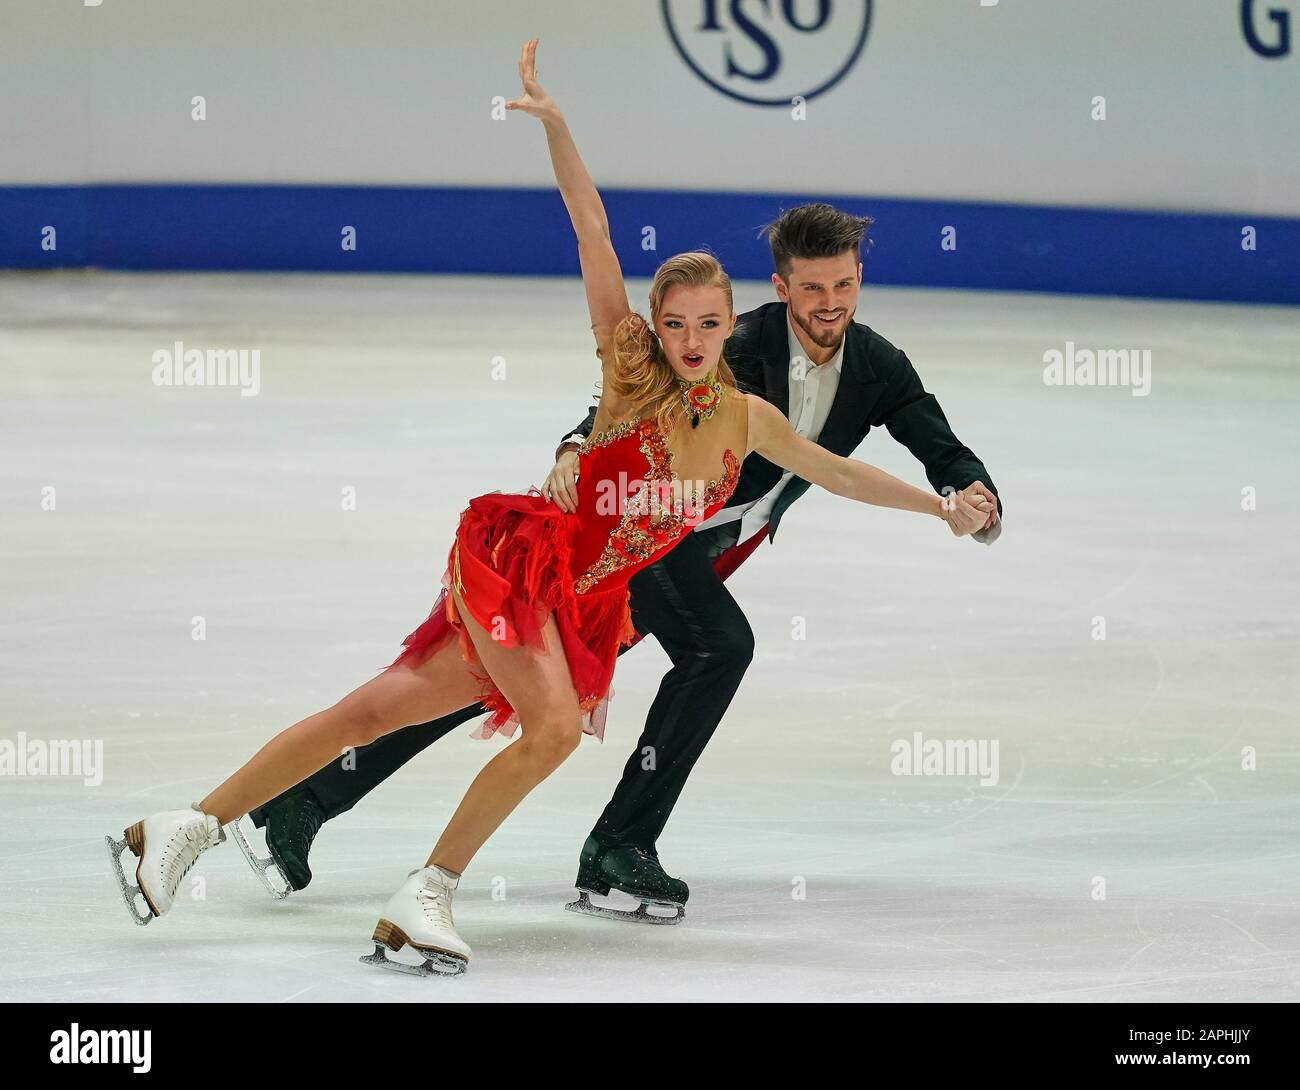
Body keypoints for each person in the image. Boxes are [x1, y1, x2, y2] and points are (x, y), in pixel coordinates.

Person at [107, 40, 994, 975]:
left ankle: (179, 828)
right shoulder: (633, 369)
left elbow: (842, 472)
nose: (691, 339)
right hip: (527, 562)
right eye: (677, 322)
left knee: (376, 710)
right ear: (661, 325)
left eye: (707, 323)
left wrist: (941, 511)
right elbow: (592, 231)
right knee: (552, 727)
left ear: (732, 326)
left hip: (582, 604)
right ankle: (425, 895)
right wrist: (560, 129)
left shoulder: (748, 417)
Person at [240, 207, 1004, 928]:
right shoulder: (728, 340)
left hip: (703, 550)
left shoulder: (876, 364)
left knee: (506, 684)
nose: (829, 301)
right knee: (708, 650)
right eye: (812, 287)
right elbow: (630, 397)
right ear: (782, 288)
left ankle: (304, 801)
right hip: (643, 539)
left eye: (843, 284)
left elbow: (930, 439)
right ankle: (614, 846)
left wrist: (968, 495)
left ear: (859, 279)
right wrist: (576, 446)